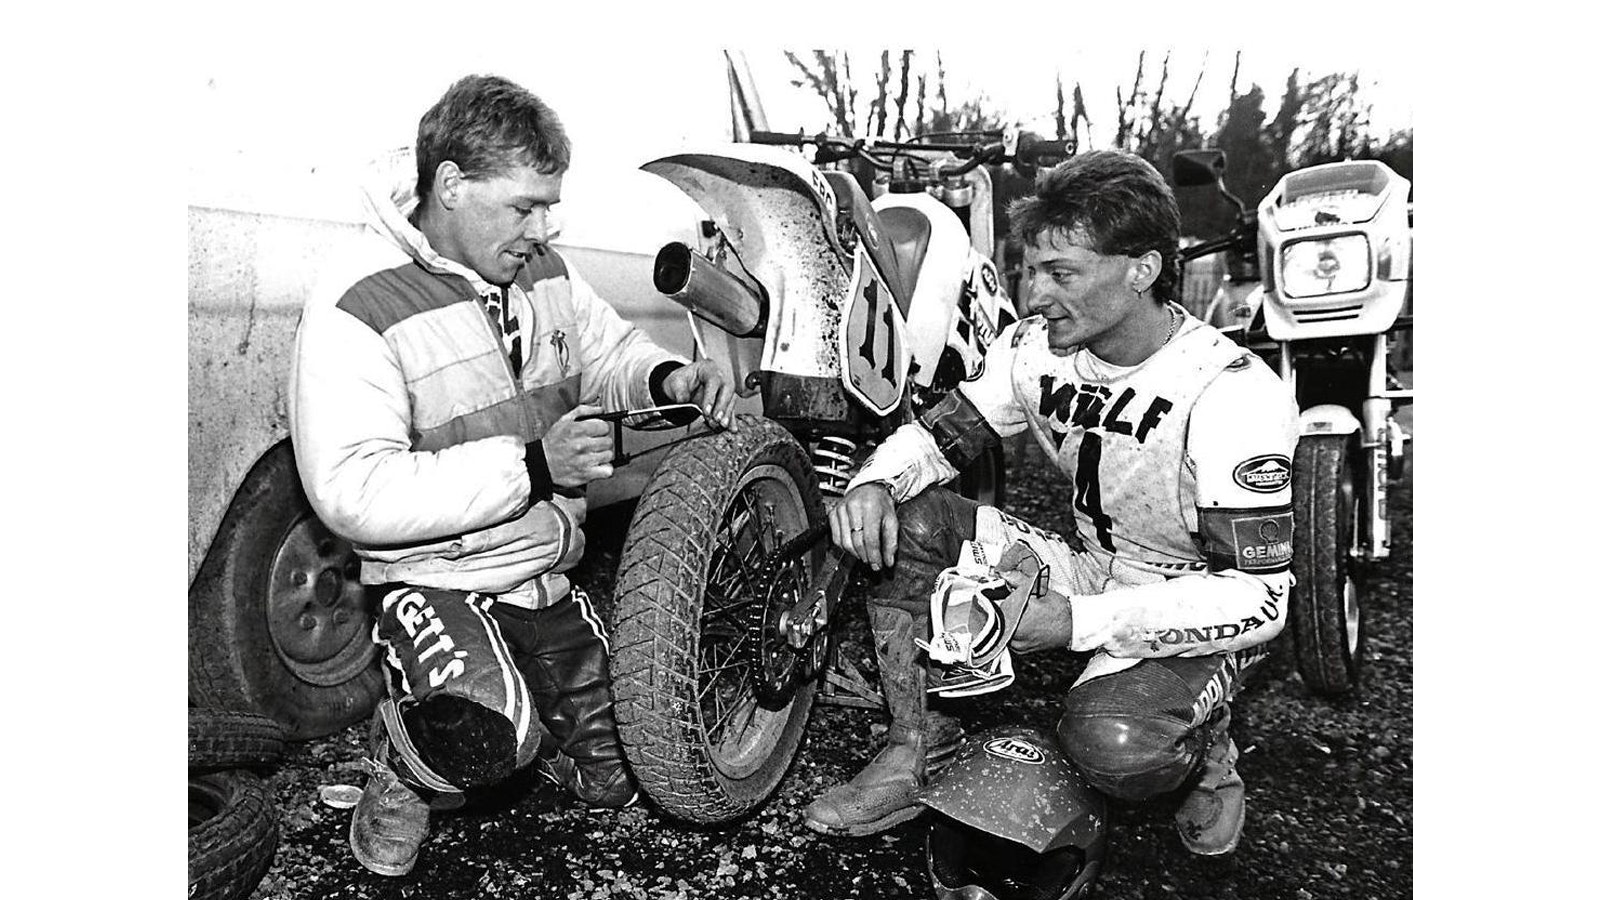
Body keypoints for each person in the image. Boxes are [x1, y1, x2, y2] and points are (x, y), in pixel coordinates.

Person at [289, 74, 737, 877]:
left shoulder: (543, 270)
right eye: (526, 206)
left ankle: (514, 699)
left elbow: (609, 356)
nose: (545, 226)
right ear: (452, 186)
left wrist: (668, 380)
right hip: (431, 578)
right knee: (489, 738)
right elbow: (349, 493)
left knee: (616, 781)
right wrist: (533, 466)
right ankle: (403, 753)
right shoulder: (355, 303)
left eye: (550, 204)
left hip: (540, 571)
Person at [803, 149, 1298, 857]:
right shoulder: (1033, 349)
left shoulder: (1231, 392)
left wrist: (1075, 623)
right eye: (1031, 269)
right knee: (911, 514)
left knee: (1116, 745)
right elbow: (938, 440)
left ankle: (1203, 741)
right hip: (1094, 564)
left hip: (1197, 596)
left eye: (1061, 273)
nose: (1033, 295)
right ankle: (918, 750)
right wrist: (874, 482)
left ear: (1142, 270)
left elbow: (1261, 598)